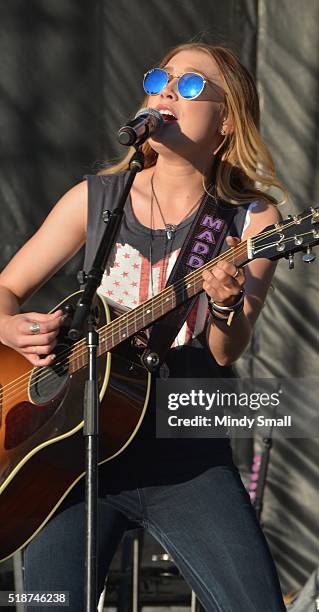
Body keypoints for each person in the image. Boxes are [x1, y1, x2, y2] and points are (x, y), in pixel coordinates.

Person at [0, 42, 287, 611]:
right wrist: (8, 327)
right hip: (72, 455)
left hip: (185, 453)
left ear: (226, 121)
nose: (165, 92)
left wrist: (225, 303)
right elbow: (6, 288)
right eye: (159, 80)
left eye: (187, 87)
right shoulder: (97, 198)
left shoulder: (253, 218)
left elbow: (227, 350)